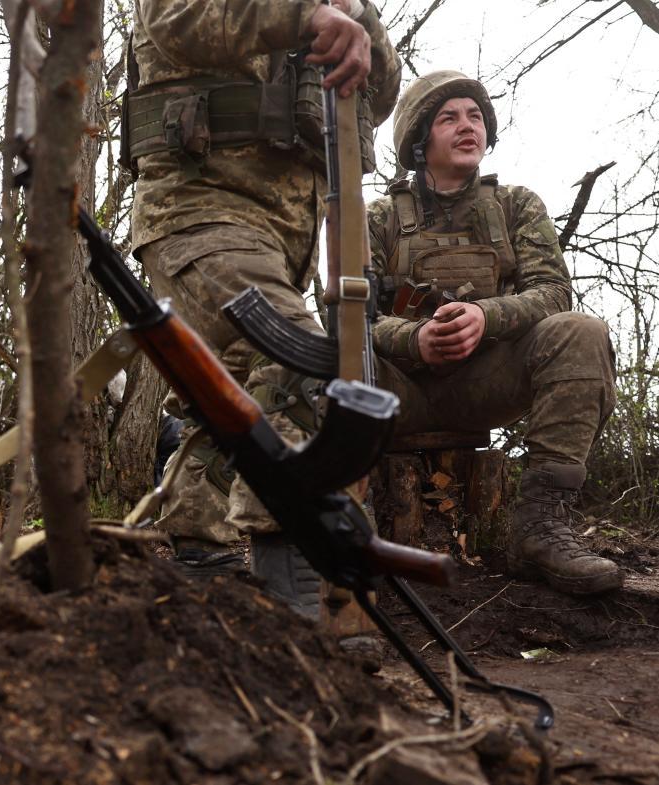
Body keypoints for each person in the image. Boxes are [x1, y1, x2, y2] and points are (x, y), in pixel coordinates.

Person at [125, 0, 401, 610]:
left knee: (222, 391)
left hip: (283, 236)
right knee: (294, 364)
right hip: (196, 209)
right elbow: (176, 20)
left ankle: (203, 562)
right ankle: (303, 602)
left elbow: (377, 94)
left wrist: (356, 14)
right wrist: (308, 16)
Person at [368, 70, 621, 596]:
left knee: (581, 331)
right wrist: (413, 340)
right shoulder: (378, 217)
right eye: (449, 117)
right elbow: (352, 318)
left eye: (476, 116)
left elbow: (553, 292)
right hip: (395, 393)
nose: (468, 126)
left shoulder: (516, 206)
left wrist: (485, 317)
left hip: (484, 387)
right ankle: (337, 531)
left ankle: (540, 529)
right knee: (313, 353)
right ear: (419, 139)